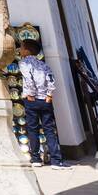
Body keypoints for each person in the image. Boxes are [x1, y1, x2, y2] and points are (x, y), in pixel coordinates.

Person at [19, 38, 70, 170]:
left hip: (32, 100)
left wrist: (30, 94)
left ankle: (35, 158)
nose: (20, 50)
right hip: (45, 100)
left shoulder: (24, 63)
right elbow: (50, 79)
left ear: (26, 50)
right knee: (49, 130)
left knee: (32, 129)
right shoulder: (43, 64)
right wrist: (49, 95)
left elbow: (28, 78)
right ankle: (56, 160)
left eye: (21, 48)